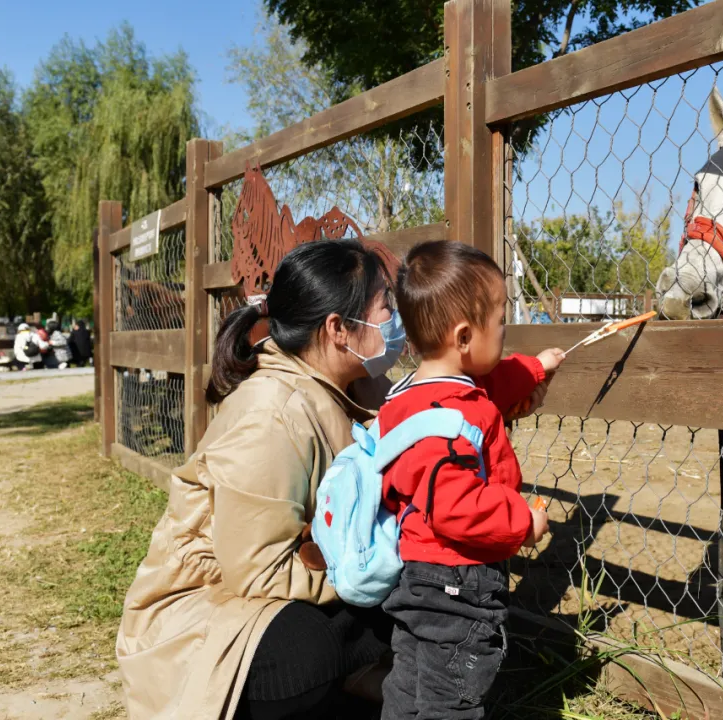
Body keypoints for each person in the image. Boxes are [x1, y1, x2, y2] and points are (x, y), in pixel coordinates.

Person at [117, 240, 406, 720]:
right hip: (207, 609)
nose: (395, 320)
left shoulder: (360, 384)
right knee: (302, 657)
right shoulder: (271, 413)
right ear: (338, 329)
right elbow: (260, 572)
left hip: (298, 577)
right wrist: (379, 570)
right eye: (385, 307)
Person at [378, 240, 565, 720]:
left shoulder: (409, 399)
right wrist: (522, 523)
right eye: (501, 321)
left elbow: (494, 380)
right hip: (458, 585)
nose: (506, 330)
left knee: (408, 688)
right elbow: (456, 505)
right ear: (463, 337)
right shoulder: (458, 418)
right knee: (452, 701)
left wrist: (536, 367)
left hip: (417, 576)